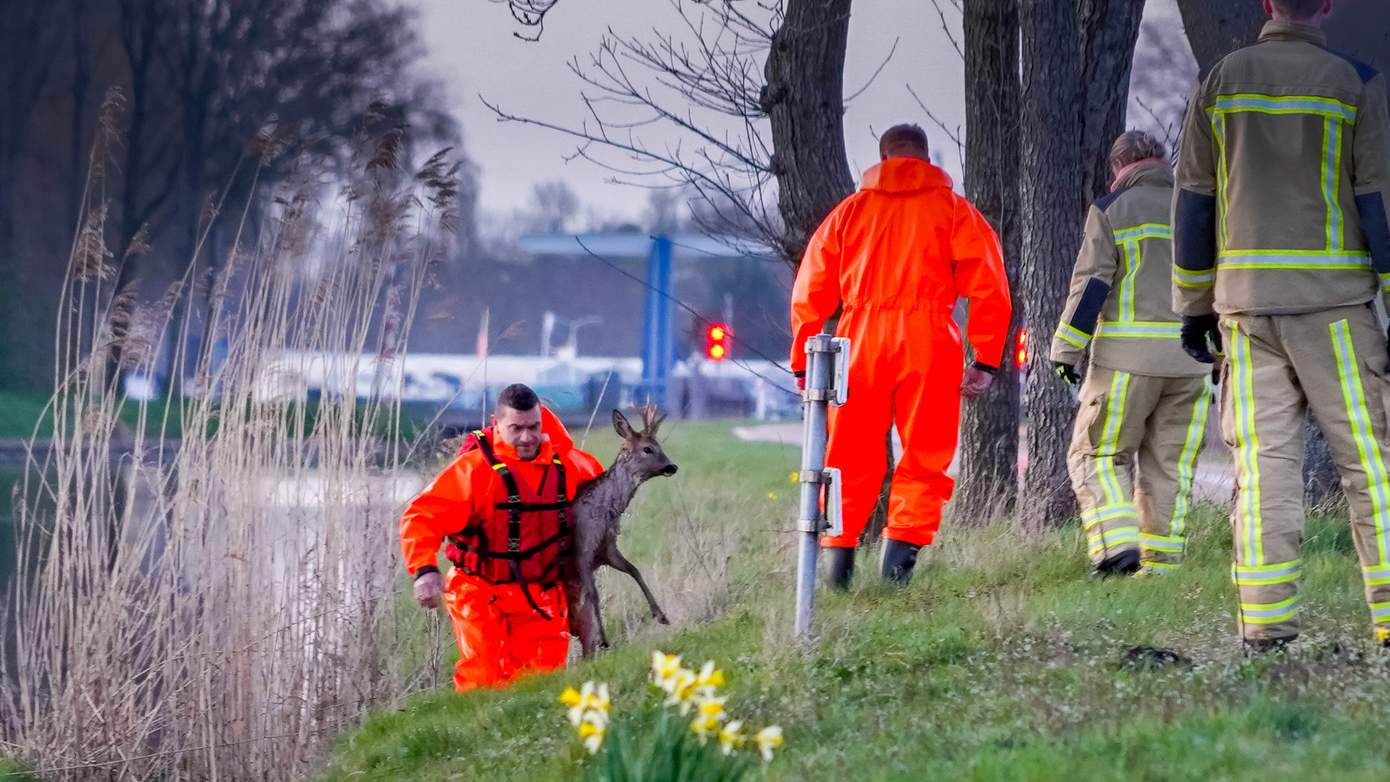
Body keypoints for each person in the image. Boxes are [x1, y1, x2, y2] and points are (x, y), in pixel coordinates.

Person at [1172, 0, 1390, 650]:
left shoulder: (1220, 80)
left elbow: (1194, 204)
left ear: (1267, 4)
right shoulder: (1355, 82)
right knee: (1370, 467)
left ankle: (1266, 628)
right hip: (1336, 309)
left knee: (1264, 470)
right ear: (1326, 6)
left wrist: (1192, 306)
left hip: (1245, 311)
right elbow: (1376, 204)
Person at [789, 123, 1012, 587]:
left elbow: (810, 289)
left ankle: (838, 572)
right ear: (926, 158)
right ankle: (897, 572)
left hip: (859, 341)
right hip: (930, 340)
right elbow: (990, 289)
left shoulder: (849, 213)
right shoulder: (955, 212)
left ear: (883, 157)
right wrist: (986, 358)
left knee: (847, 454)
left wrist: (802, 360)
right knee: (924, 456)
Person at [1051, 131, 1213, 578]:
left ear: (1119, 167)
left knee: (1097, 456)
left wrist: (1066, 350)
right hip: (1192, 364)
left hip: (1125, 363)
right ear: (1162, 161)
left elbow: (1092, 286)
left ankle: (1117, 548)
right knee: (1169, 467)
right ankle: (1160, 569)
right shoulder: (1204, 208)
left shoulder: (1111, 209)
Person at [399, 384, 603, 690]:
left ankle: (529, 738)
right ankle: (472, 735)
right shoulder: (474, 471)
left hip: (542, 593)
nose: (526, 437)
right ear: (497, 425)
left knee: (541, 687)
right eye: (516, 428)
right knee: (483, 678)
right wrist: (424, 571)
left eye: (533, 427)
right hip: (479, 589)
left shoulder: (569, 466)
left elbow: (606, 490)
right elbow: (422, 515)